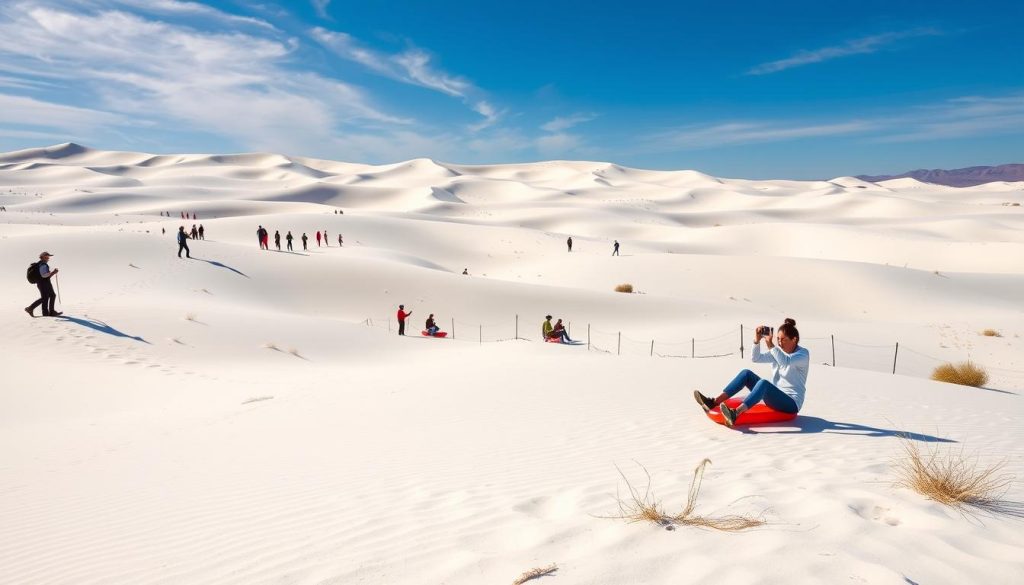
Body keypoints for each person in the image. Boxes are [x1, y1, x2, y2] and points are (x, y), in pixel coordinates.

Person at [693, 318, 809, 427]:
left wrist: (770, 344)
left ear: (794, 340)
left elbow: (785, 362)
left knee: (763, 383)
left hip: (791, 403)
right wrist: (757, 341)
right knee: (746, 374)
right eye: (778, 339)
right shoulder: (779, 352)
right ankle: (713, 402)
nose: (780, 343)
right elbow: (756, 358)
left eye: (783, 339)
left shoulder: (802, 354)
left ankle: (735, 414)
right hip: (776, 397)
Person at [25, 251, 61, 317]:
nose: (48, 258)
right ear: (42, 257)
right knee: (51, 295)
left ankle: (44, 313)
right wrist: (53, 272)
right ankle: (50, 312)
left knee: (46, 297)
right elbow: (44, 275)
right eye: (46, 257)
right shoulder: (43, 264)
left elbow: (44, 276)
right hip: (44, 283)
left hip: (41, 283)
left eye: (48, 257)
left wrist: (52, 273)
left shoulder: (40, 264)